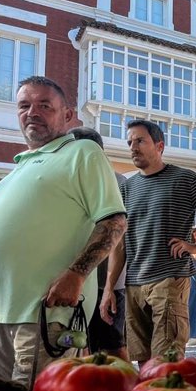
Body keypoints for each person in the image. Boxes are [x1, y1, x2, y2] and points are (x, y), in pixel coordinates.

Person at [0, 76, 127, 387]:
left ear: (67, 115)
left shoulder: (82, 153)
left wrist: (77, 274)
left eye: (44, 106)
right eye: (24, 105)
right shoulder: (17, 169)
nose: (32, 112)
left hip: (45, 314)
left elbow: (114, 221)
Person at [100, 119, 196, 366]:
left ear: (159, 145)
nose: (133, 147)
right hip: (134, 284)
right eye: (130, 142)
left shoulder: (185, 179)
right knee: (142, 361)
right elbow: (119, 245)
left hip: (170, 279)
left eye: (140, 140)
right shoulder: (127, 188)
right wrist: (109, 289)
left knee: (166, 361)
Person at [68, 126, 129, 361]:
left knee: (111, 345)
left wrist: (111, 287)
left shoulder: (118, 182)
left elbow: (120, 236)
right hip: (80, 279)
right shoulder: (73, 179)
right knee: (78, 342)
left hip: (107, 281)